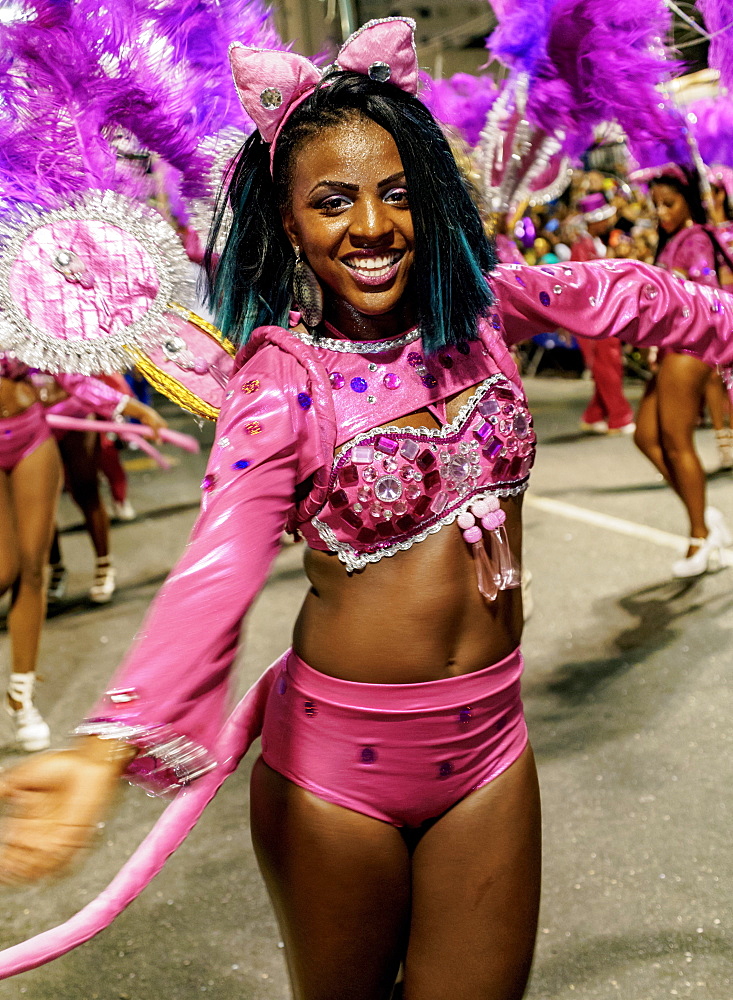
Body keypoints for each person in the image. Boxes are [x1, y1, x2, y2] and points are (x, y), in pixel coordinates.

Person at [2, 20, 733, 997]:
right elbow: (219, 564)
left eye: (396, 193)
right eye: (333, 202)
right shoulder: (281, 381)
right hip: (334, 775)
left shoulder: (486, 316)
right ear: (292, 222)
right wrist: (104, 745)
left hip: (490, 746)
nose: (373, 226)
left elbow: (632, 294)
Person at [631, 166, 732, 577]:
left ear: (689, 199)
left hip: (688, 348)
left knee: (675, 440)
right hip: (671, 348)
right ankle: (704, 515)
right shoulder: (675, 240)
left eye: (668, 203)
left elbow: (706, 295)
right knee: (646, 437)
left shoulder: (696, 239)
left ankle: (699, 535)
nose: (661, 212)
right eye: (656, 204)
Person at [45, 375, 166, 604]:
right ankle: (56, 569)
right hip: (31, 426)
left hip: (74, 414)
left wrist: (138, 410)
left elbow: (78, 380)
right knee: (39, 504)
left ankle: (104, 565)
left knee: (86, 491)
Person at [570, 192, 636, 435]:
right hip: (594, 318)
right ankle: (619, 418)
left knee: (605, 366)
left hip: (605, 316)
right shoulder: (582, 248)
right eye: (604, 218)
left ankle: (593, 415)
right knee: (608, 365)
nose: (608, 223)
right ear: (593, 221)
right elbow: (584, 287)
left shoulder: (596, 244)